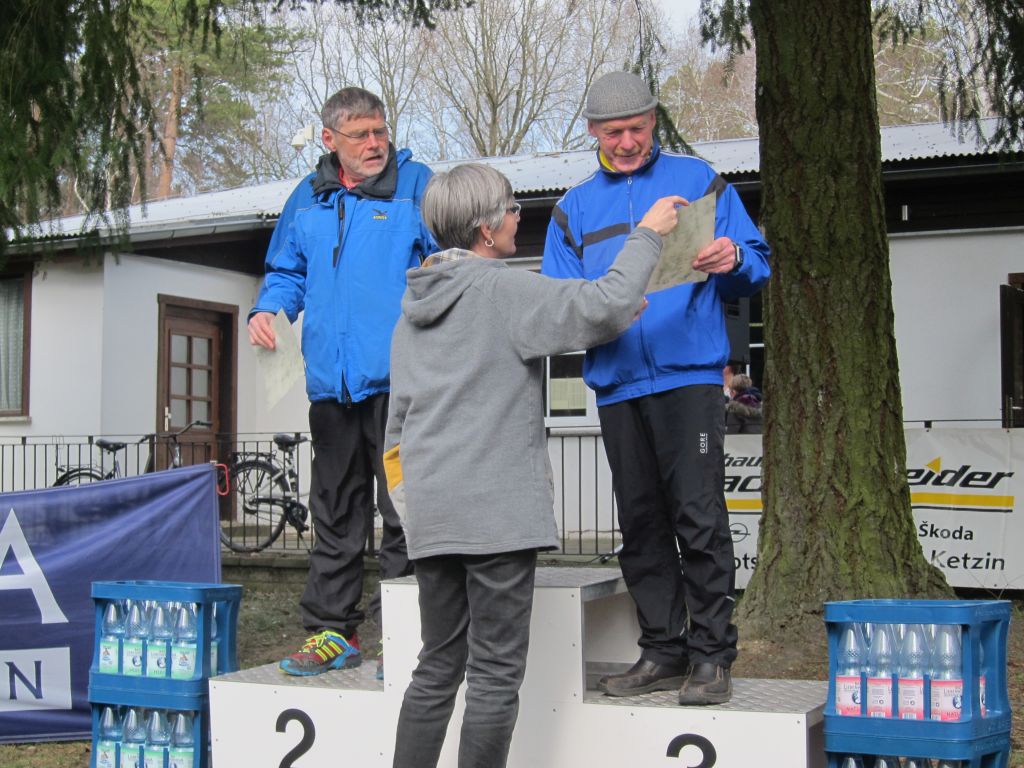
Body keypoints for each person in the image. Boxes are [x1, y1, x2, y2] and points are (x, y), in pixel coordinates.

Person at [384, 163, 683, 768]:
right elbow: (604, 303)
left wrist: (413, 509)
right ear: (486, 228)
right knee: (494, 675)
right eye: (512, 208)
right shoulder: (502, 288)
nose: (519, 217)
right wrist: (647, 234)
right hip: (496, 513)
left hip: (433, 514)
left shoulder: (411, 310)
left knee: (436, 666)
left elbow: (395, 431)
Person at [541, 71, 771, 705]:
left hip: (689, 378)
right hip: (618, 387)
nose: (627, 143)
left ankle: (712, 657)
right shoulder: (571, 209)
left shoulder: (699, 180)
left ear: (654, 121)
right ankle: (663, 650)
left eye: (638, 129)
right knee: (641, 524)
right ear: (592, 131)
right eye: (613, 132)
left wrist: (733, 259)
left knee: (699, 518)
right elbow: (560, 304)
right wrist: (601, 309)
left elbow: (757, 263)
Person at [248, 87, 435, 677]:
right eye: (361, 135)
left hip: (401, 387)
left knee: (404, 512)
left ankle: (408, 640)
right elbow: (286, 271)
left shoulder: (418, 185)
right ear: (330, 140)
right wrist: (267, 309)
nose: (376, 143)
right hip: (331, 388)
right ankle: (334, 634)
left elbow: (447, 263)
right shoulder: (306, 196)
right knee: (333, 513)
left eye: (381, 131)